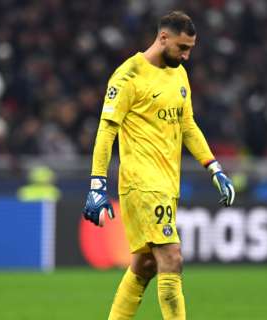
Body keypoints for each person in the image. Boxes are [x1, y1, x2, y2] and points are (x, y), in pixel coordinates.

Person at [82, 11, 235, 320]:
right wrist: (97, 184)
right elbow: (105, 131)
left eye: (190, 48)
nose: (187, 56)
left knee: (145, 264)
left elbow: (188, 125)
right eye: (182, 47)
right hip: (142, 183)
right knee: (171, 257)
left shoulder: (178, 73)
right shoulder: (128, 76)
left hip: (167, 184)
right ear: (163, 38)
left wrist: (214, 167)